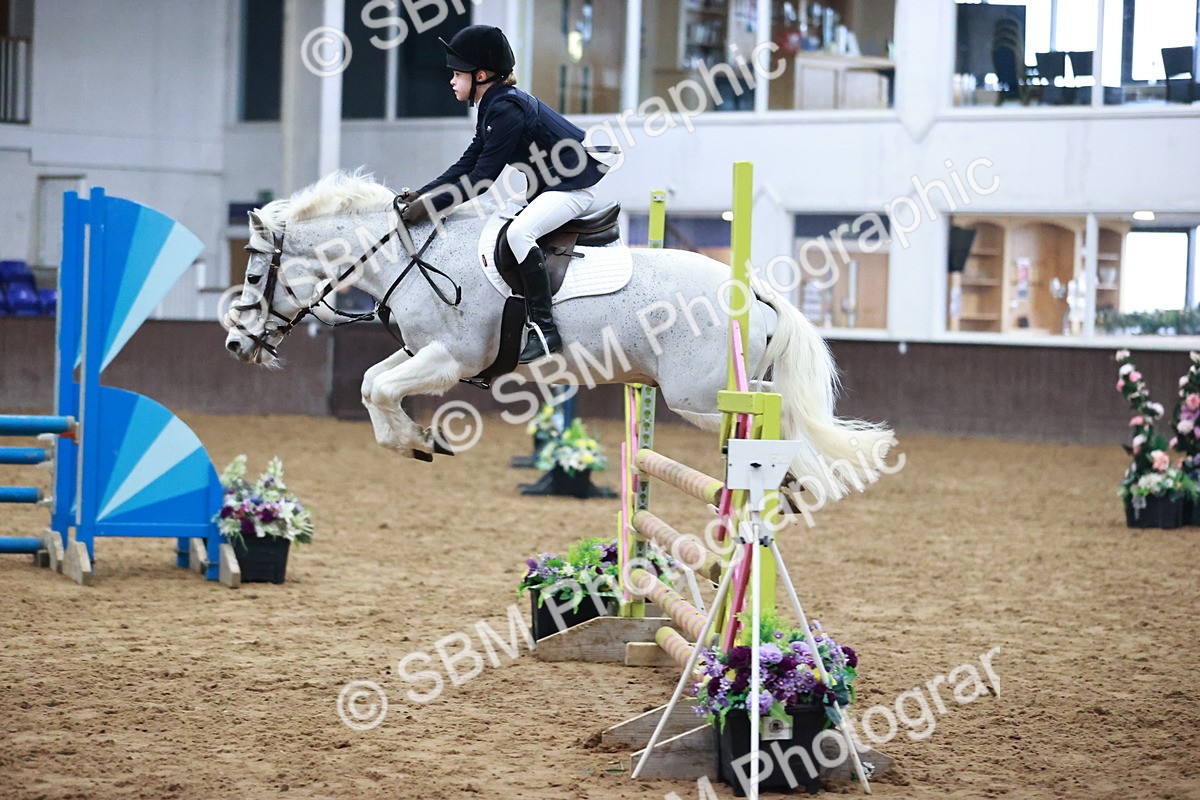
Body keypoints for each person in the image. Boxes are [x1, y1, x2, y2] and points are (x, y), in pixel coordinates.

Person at [400, 25, 610, 364]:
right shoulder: (492, 104)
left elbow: (482, 178)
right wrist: (423, 195)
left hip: (572, 189)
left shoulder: (505, 109)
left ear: (481, 75)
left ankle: (544, 329)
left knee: (519, 233)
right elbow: (467, 162)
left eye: (457, 73)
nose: (451, 80)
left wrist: (432, 207)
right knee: (497, 225)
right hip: (547, 188)